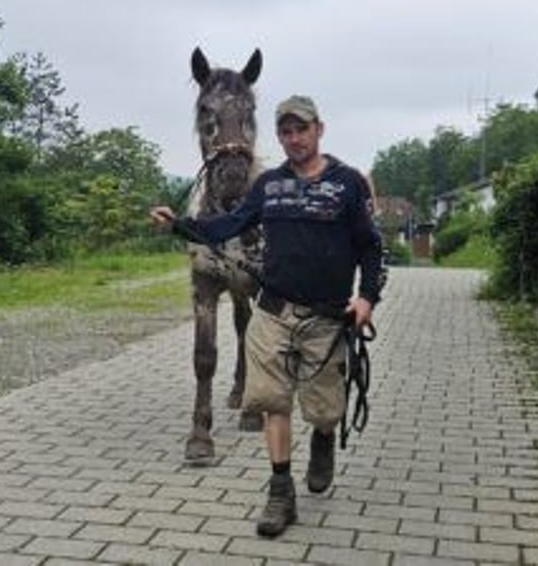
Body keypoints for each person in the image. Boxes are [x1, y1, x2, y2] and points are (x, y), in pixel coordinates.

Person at [150, 94, 384, 538]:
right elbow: (228, 225)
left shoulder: (348, 183)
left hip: (327, 317)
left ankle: (323, 438)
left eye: (302, 129)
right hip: (273, 313)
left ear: (319, 129)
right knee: (272, 401)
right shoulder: (269, 186)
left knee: (324, 410)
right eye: (286, 131)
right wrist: (179, 224)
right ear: (279, 136)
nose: (294, 138)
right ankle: (280, 492)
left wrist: (367, 299)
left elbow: (371, 247)